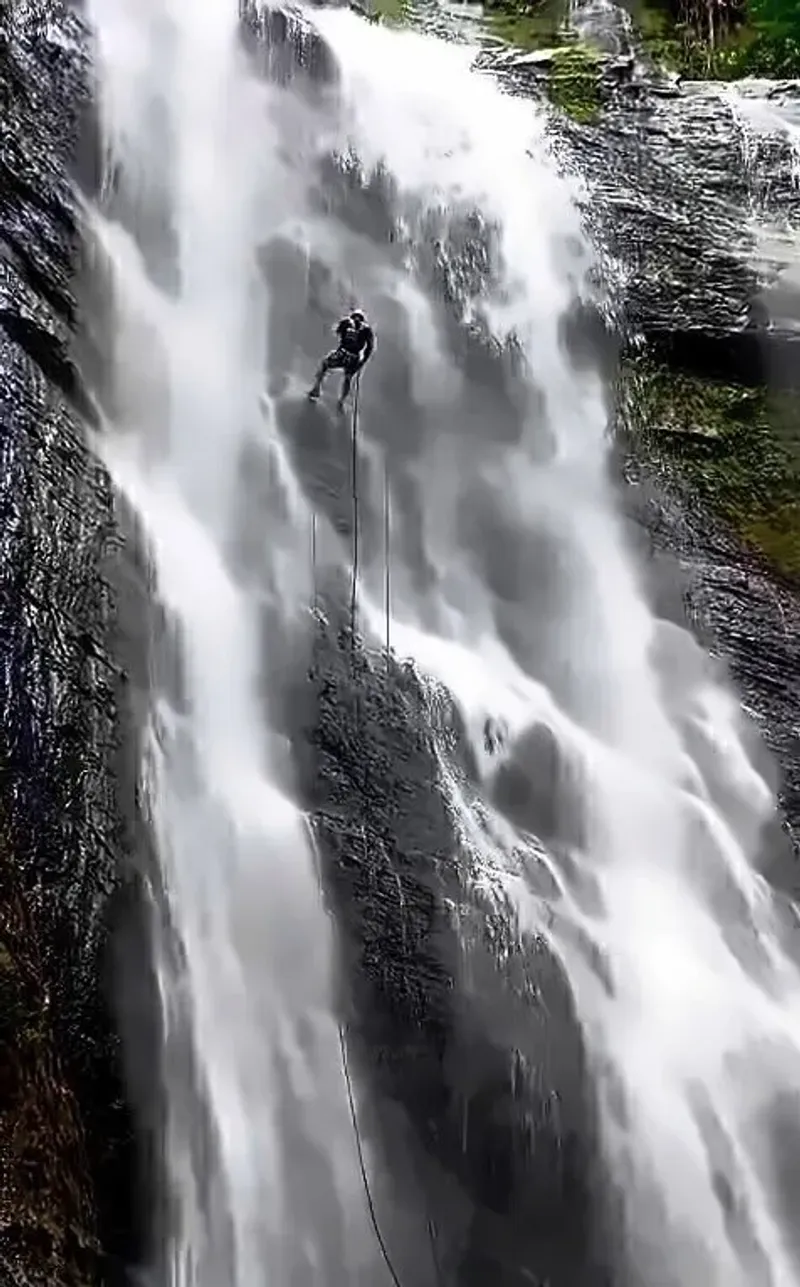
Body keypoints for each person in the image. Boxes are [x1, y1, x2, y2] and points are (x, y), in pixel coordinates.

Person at [308, 308, 375, 412]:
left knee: (325, 364)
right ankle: (340, 401)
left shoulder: (349, 323)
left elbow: (336, 331)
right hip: (353, 357)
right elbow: (369, 348)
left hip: (343, 353)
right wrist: (362, 362)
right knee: (347, 378)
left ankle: (317, 389)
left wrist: (341, 330)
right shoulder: (366, 329)